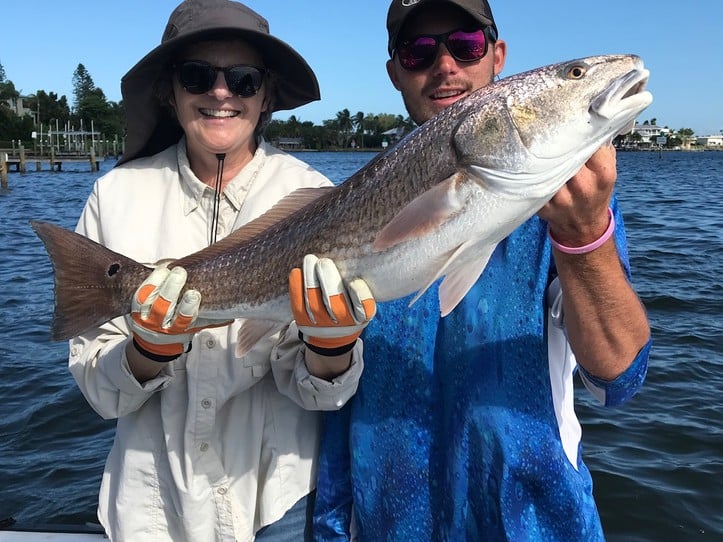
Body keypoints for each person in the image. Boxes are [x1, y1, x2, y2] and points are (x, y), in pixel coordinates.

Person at [313, 1, 652, 540]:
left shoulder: (574, 204)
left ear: (498, 58)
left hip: (535, 525)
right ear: (395, 72)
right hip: (380, 523)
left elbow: (617, 380)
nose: (444, 65)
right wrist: (325, 347)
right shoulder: (353, 198)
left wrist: (585, 239)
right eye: (419, 50)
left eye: (466, 44)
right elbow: (322, 391)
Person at [68, 1, 376, 540]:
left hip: (277, 506)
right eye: (197, 76)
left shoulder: (317, 198)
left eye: (243, 78)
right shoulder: (114, 195)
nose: (220, 92)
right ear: (170, 91)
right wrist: (146, 352)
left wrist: (331, 349)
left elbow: (320, 394)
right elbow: (98, 391)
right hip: (150, 510)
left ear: (267, 94)